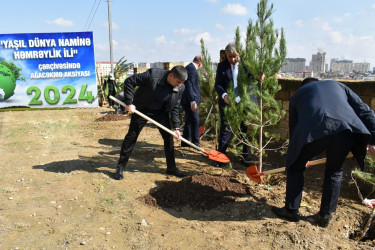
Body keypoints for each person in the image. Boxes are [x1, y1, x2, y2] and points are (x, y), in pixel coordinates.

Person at [272, 77, 375, 227]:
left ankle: (292, 210)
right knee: (334, 170)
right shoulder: (337, 85)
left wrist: (300, 156)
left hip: (315, 130)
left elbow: (294, 132)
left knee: (295, 166)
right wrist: (373, 140)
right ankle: (325, 216)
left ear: (303, 87)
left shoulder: (297, 95)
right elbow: (366, 111)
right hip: (346, 131)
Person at [114, 65, 188, 180]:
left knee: (169, 138)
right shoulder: (153, 75)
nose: (179, 85)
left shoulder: (180, 87)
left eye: (181, 83)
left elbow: (175, 108)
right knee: (132, 136)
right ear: (171, 75)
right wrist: (129, 102)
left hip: (160, 111)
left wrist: (176, 128)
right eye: (178, 82)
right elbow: (129, 81)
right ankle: (120, 167)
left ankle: (171, 167)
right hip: (141, 109)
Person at [214, 43, 257, 166]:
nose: (232, 59)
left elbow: (256, 77)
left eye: (234, 56)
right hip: (228, 103)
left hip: (244, 102)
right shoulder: (222, 66)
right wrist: (224, 96)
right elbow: (218, 85)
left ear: (238, 54)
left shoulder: (246, 65)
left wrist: (261, 76)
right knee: (225, 129)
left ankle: (244, 157)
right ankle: (220, 157)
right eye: (229, 57)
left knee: (243, 129)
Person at [181, 55, 203, 147]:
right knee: (195, 120)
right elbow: (189, 85)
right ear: (200, 63)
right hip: (189, 100)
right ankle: (195, 142)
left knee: (189, 120)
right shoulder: (192, 69)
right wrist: (192, 100)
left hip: (187, 99)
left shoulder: (189, 67)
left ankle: (185, 142)